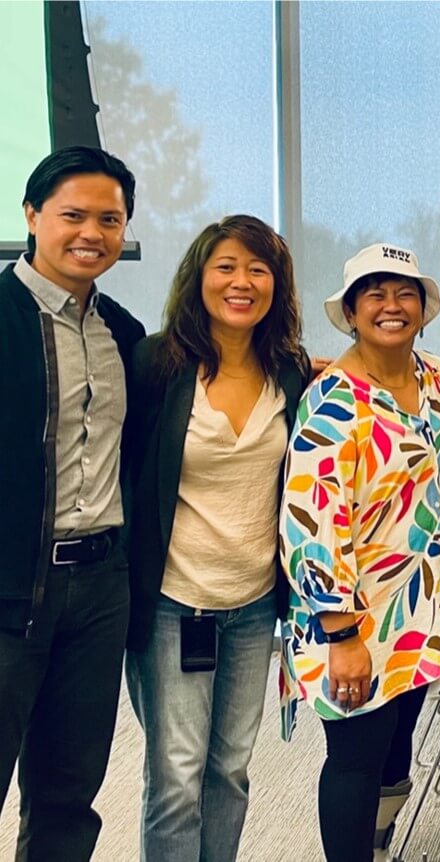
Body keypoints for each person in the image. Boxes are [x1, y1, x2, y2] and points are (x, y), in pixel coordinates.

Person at [279, 243, 440, 861]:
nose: (391, 306)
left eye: (404, 293)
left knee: (397, 746)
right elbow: (309, 523)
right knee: (356, 759)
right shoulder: (332, 398)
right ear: (351, 310)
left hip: (425, 611)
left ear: (423, 306)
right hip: (355, 615)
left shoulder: (438, 378)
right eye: (375, 293)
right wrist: (341, 635)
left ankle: (378, 843)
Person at [122, 215, 307, 861]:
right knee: (176, 777)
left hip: (254, 607)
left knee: (229, 770)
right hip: (175, 602)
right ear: (199, 276)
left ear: (276, 286)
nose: (242, 281)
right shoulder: (156, 364)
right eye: (226, 266)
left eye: (259, 269)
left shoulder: (291, 373)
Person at [0, 146, 144, 860]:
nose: (92, 233)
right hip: (6, 589)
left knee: (68, 792)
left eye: (110, 219)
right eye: (74, 215)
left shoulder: (123, 331)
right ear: (31, 216)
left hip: (99, 591)